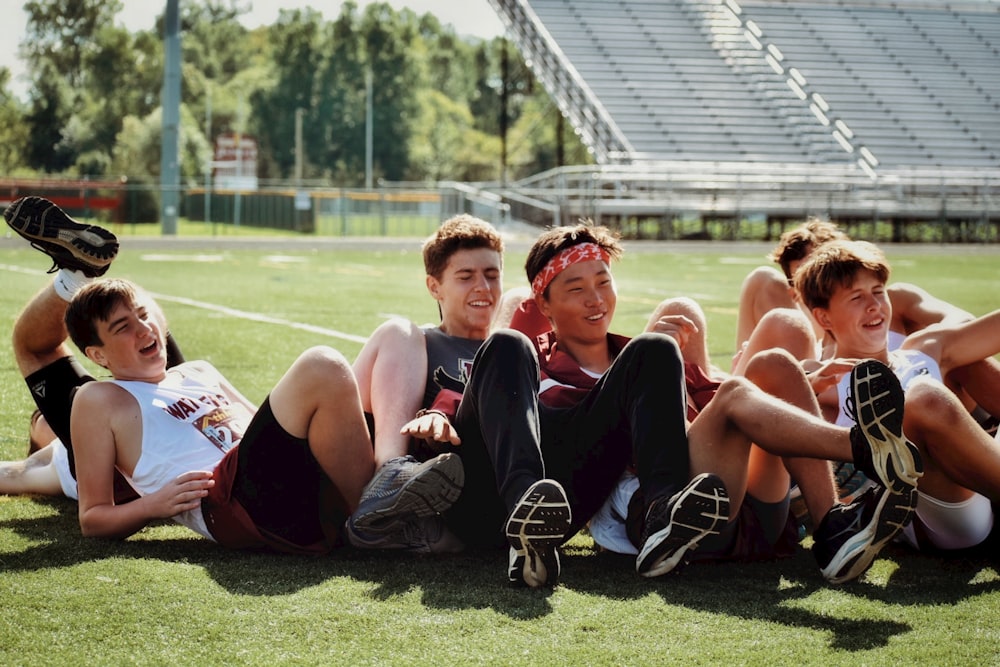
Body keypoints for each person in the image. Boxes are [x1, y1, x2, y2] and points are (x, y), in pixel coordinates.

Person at [405, 223, 922, 587]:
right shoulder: (530, 352)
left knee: (665, 350)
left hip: (627, 487)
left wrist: (797, 381)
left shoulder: (642, 361)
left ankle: (666, 520)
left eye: (603, 284)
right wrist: (440, 411)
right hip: (526, 483)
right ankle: (861, 449)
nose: (595, 300)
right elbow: (479, 391)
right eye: (576, 288)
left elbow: (718, 405)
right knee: (508, 346)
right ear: (544, 304)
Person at [4, 196, 459, 552]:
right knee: (322, 364)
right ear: (96, 356)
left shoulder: (195, 370)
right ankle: (380, 513)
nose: (144, 328)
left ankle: (391, 493)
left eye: (145, 316)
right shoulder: (97, 401)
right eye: (124, 327)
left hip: (271, 477)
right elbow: (92, 519)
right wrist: (153, 506)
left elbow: (257, 422)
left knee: (387, 353)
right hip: (232, 502)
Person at [796, 239, 1000, 553]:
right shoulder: (820, 382)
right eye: (856, 297)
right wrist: (809, 385)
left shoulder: (924, 348)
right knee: (923, 398)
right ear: (824, 319)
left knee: (930, 387)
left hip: (984, 472)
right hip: (946, 510)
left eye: (879, 292)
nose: (874, 305)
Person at [345, 215, 503, 552]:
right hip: (427, 473)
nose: (484, 288)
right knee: (397, 330)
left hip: (486, 489)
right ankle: (388, 477)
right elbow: (352, 412)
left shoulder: (513, 353)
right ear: (435, 287)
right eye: (466, 277)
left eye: (492, 275)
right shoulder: (416, 344)